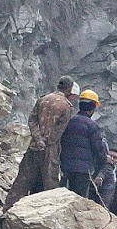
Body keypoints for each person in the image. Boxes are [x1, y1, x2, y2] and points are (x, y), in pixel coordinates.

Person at [5, 75, 75, 209]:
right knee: (50, 183)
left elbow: (31, 120)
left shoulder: (42, 99)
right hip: (50, 151)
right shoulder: (66, 106)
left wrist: (38, 139)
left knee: (23, 180)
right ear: (69, 89)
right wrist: (47, 142)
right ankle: (47, 215)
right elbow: (59, 130)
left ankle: (8, 209)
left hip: (33, 146)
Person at [58, 89, 109, 200]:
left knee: (65, 197)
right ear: (92, 109)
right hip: (83, 171)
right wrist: (105, 159)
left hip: (66, 167)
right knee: (79, 199)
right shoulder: (92, 125)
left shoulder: (69, 121)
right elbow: (98, 148)